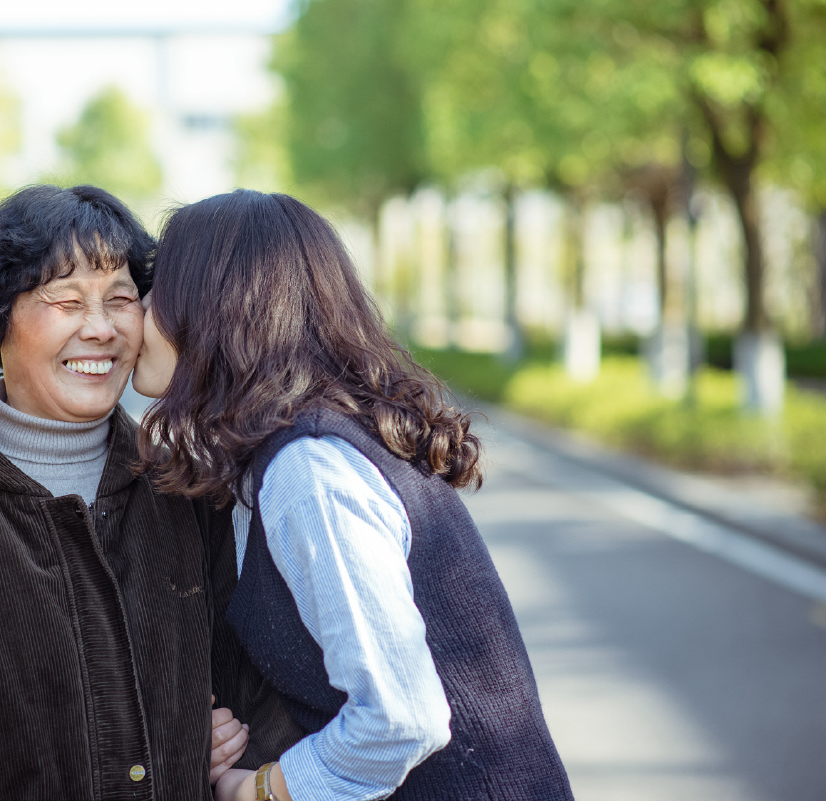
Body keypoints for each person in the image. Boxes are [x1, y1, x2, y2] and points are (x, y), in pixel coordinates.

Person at [0, 185, 297, 801]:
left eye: (122, 300)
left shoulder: (188, 483)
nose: (101, 329)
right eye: (65, 301)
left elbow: (267, 682)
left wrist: (238, 763)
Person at [133, 190, 575, 801]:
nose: (139, 308)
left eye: (158, 287)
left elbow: (401, 718)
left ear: (212, 309)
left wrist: (257, 791)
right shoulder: (301, 446)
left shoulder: (309, 469)